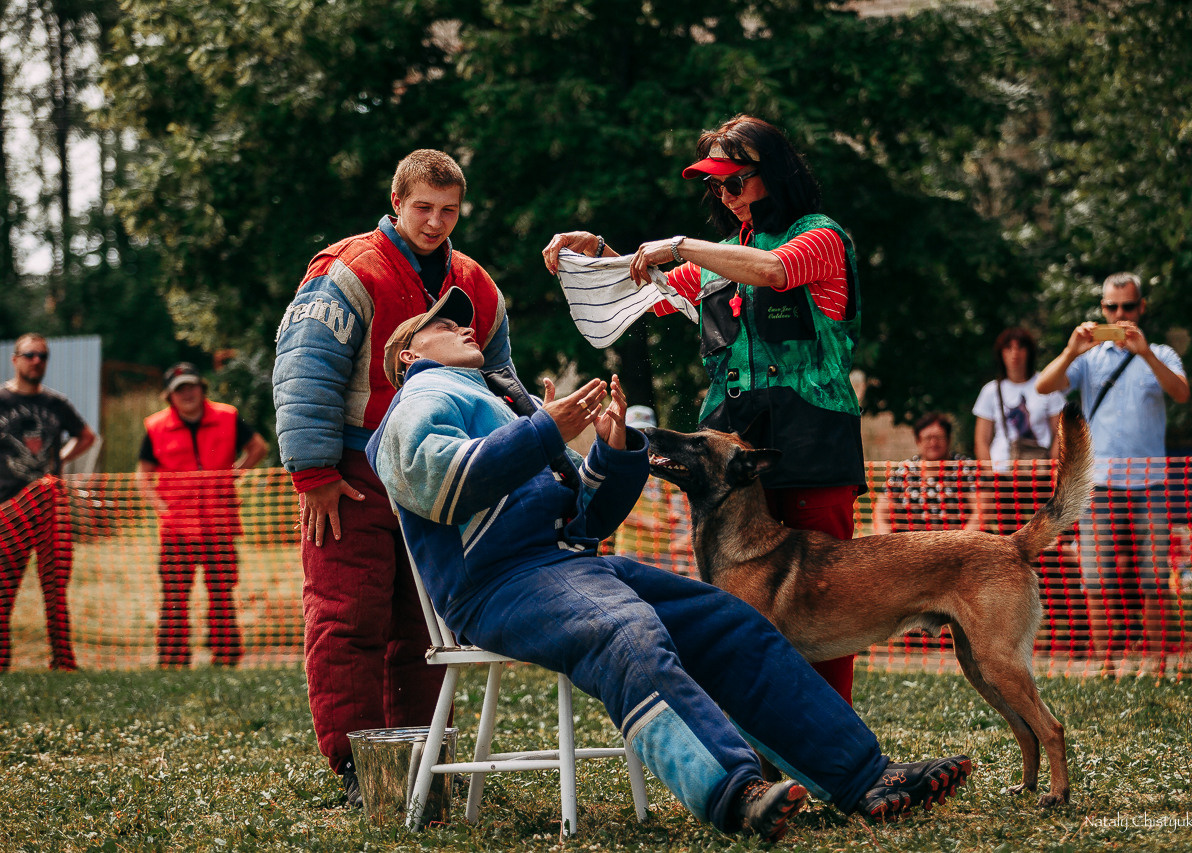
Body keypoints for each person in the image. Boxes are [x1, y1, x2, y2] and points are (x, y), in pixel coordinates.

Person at [367, 293, 972, 838]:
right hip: (501, 585)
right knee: (623, 631)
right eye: (441, 323)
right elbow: (436, 480)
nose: (463, 326)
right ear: (407, 356)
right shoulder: (420, 398)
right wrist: (541, 432)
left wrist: (614, 452)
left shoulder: (498, 400)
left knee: (728, 620)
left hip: (568, 569)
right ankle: (736, 793)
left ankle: (864, 776)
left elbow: (588, 520)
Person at [542, 115, 865, 704]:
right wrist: (598, 253)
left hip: (814, 445)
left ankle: (839, 752)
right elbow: (647, 292)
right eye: (715, 186)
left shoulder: (820, 235)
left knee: (827, 602)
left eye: (734, 182)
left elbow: (776, 269)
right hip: (729, 456)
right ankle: (764, 749)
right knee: (737, 609)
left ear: (774, 175)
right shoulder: (722, 256)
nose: (724, 196)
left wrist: (682, 246)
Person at [272, 149, 536, 806]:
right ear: (398, 203)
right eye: (424, 207)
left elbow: (499, 380)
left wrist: (534, 424)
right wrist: (313, 474)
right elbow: (304, 373)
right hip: (352, 470)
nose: (435, 221)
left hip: (434, 476)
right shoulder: (348, 270)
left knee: (422, 626)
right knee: (346, 614)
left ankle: (420, 760)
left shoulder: (478, 285)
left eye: (448, 210)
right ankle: (356, 764)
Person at [1036, 272, 1191, 671]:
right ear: (1102, 309)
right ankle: (1105, 665)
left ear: (1141, 308)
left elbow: (1182, 393)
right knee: (1098, 579)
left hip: (1150, 483)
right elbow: (1043, 385)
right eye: (1111, 307)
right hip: (1100, 486)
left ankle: (1159, 666)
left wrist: (1146, 354)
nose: (1120, 315)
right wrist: (1071, 350)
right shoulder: (1088, 360)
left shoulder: (1161, 353)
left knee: (1155, 577)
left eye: (1127, 306)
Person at [135, 362, 269, 667]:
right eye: (179, 389)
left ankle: (226, 657)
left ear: (202, 388)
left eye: (191, 386)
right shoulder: (155, 426)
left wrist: (234, 475)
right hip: (176, 529)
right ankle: (173, 661)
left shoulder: (227, 416)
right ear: (169, 395)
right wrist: (163, 510)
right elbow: (142, 478)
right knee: (174, 599)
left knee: (222, 594)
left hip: (219, 524)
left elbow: (258, 447)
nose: (187, 393)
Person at [0, 333, 96, 672]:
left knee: (56, 590)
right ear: (15, 359)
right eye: (30, 355)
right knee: (3, 589)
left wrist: (60, 461)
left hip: (50, 508)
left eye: (42, 356)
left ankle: (63, 662)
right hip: (8, 509)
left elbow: (87, 437)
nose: (37, 361)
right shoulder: (1, 400)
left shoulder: (57, 404)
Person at [972, 327, 1067, 534]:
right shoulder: (990, 391)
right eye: (1009, 348)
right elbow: (981, 438)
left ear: (1029, 352)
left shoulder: (1045, 384)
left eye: (1020, 347)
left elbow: (1060, 432)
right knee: (1009, 536)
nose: (1015, 353)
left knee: (1044, 534)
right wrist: (990, 475)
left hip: (1039, 472)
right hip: (1003, 474)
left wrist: (1053, 467)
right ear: (1001, 353)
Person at [608, 406, 694, 577]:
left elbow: (677, 509)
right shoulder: (618, 467)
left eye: (645, 434)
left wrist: (677, 525)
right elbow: (608, 508)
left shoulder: (664, 469)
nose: (641, 440)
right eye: (636, 433)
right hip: (630, 551)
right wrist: (646, 521)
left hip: (664, 555)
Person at [872, 412, 981, 536]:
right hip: (909, 547)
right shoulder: (903, 471)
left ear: (949, 439)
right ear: (918, 440)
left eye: (939, 437)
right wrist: (886, 542)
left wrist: (962, 543)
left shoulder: (966, 468)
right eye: (928, 438)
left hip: (959, 546)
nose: (933, 443)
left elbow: (982, 512)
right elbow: (881, 514)